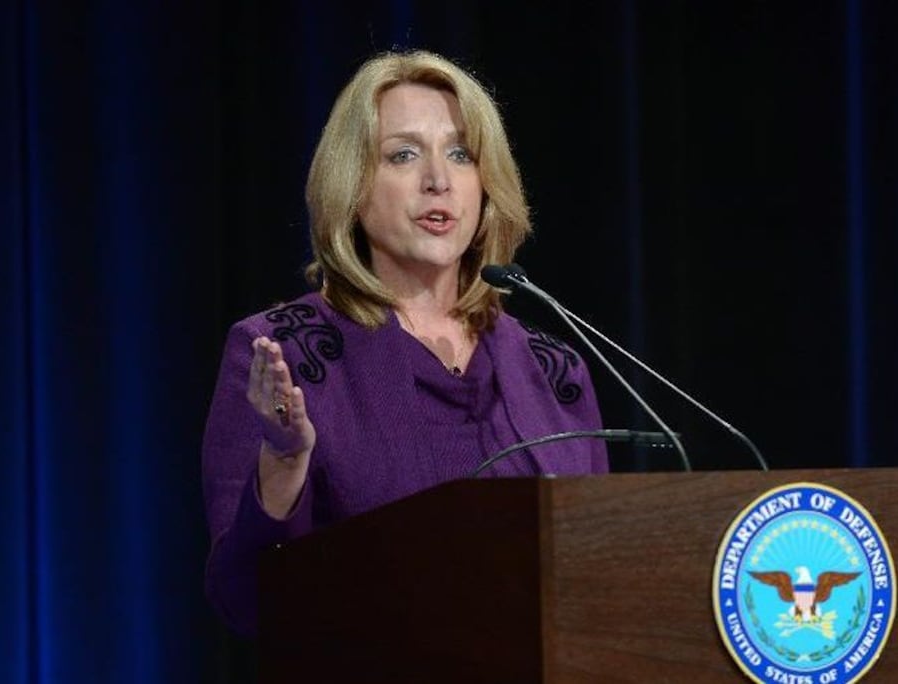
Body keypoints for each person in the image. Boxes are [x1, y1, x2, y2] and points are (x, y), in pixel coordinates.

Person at [201, 50, 608, 637]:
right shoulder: (283, 355)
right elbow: (247, 602)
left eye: (462, 154)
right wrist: (285, 464)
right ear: (354, 185)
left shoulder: (553, 369)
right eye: (404, 154)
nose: (438, 180)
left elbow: (597, 581)